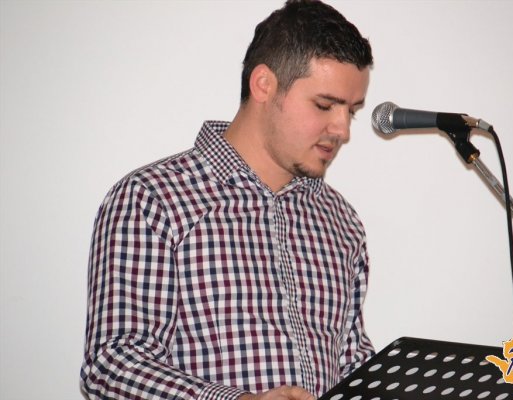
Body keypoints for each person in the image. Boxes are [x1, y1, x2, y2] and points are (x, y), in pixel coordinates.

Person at [80, 1, 374, 399]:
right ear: (264, 85)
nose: (342, 130)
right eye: (324, 105)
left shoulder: (340, 221)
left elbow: (351, 363)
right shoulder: (152, 200)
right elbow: (112, 365)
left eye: (351, 111)